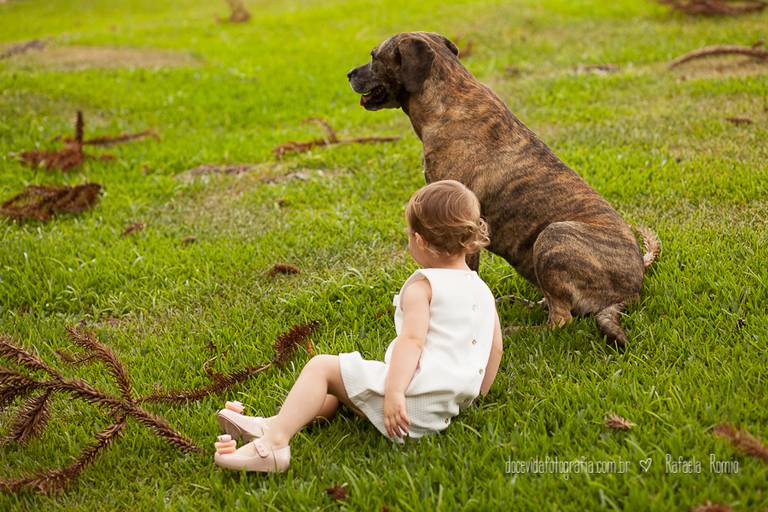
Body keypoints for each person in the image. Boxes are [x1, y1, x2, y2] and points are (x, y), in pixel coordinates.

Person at [213, 179, 504, 472]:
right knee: (338, 390)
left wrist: (394, 393)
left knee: (321, 368)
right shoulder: (482, 290)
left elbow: (412, 342)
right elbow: (495, 348)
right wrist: (474, 398)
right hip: (444, 406)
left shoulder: (423, 286)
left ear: (421, 241)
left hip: (409, 404)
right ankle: (272, 424)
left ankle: (274, 445)